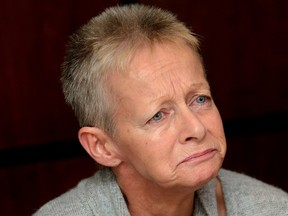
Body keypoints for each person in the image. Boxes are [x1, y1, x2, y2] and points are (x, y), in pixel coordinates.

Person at [33, 4, 288, 216]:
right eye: (158, 116)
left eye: (199, 99)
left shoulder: (272, 208)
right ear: (102, 146)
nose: (196, 129)